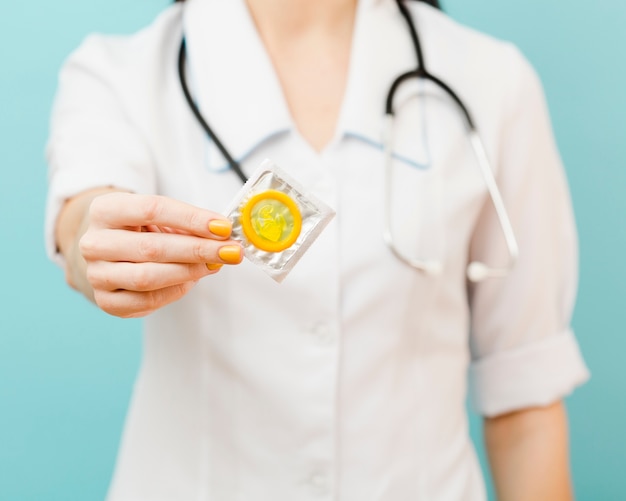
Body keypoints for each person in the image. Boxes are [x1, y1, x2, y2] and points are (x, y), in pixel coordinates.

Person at [46, 0, 590, 499]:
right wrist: (99, 244)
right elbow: (85, 215)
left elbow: (526, 395)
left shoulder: (492, 80)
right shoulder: (119, 73)